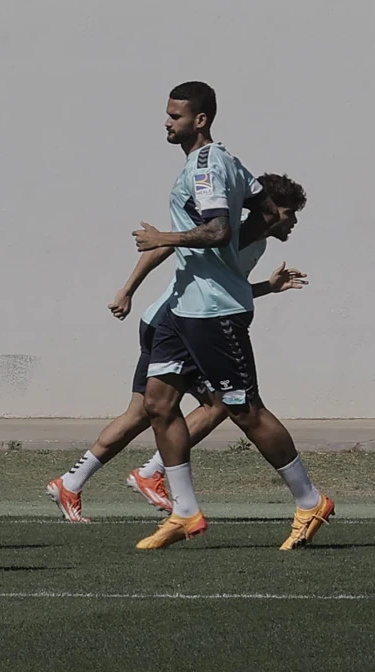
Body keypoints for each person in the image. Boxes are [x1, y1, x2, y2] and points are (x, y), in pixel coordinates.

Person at [130, 82, 333, 550]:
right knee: (159, 404)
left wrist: (169, 237)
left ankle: (310, 500)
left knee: (243, 409)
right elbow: (262, 201)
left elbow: (220, 229)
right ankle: (184, 512)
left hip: (213, 310)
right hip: (183, 307)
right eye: (167, 114)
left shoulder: (206, 166)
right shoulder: (228, 161)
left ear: (200, 120)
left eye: (176, 116)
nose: (167, 122)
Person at [47, 173, 309, 521]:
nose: (294, 221)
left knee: (146, 413)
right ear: (270, 209)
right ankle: (148, 473)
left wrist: (267, 288)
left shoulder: (256, 244)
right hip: (174, 325)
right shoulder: (229, 228)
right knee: (220, 404)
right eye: (290, 212)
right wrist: (127, 290)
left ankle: (74, 481)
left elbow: (226, 291)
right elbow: (168, 246)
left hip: (182, 325)